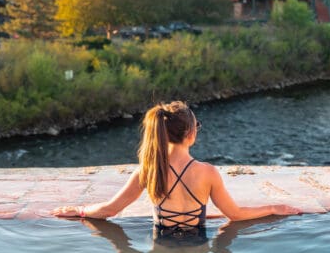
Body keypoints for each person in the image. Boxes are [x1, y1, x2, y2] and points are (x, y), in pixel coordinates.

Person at [51, 101, 301, 240]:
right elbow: (235, 214)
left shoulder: (147, 171)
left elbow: (110, 210)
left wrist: (80, 211)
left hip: (162, 245)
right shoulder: (207, 172)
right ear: (191, 133)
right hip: (197, 245)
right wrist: (272, 208)